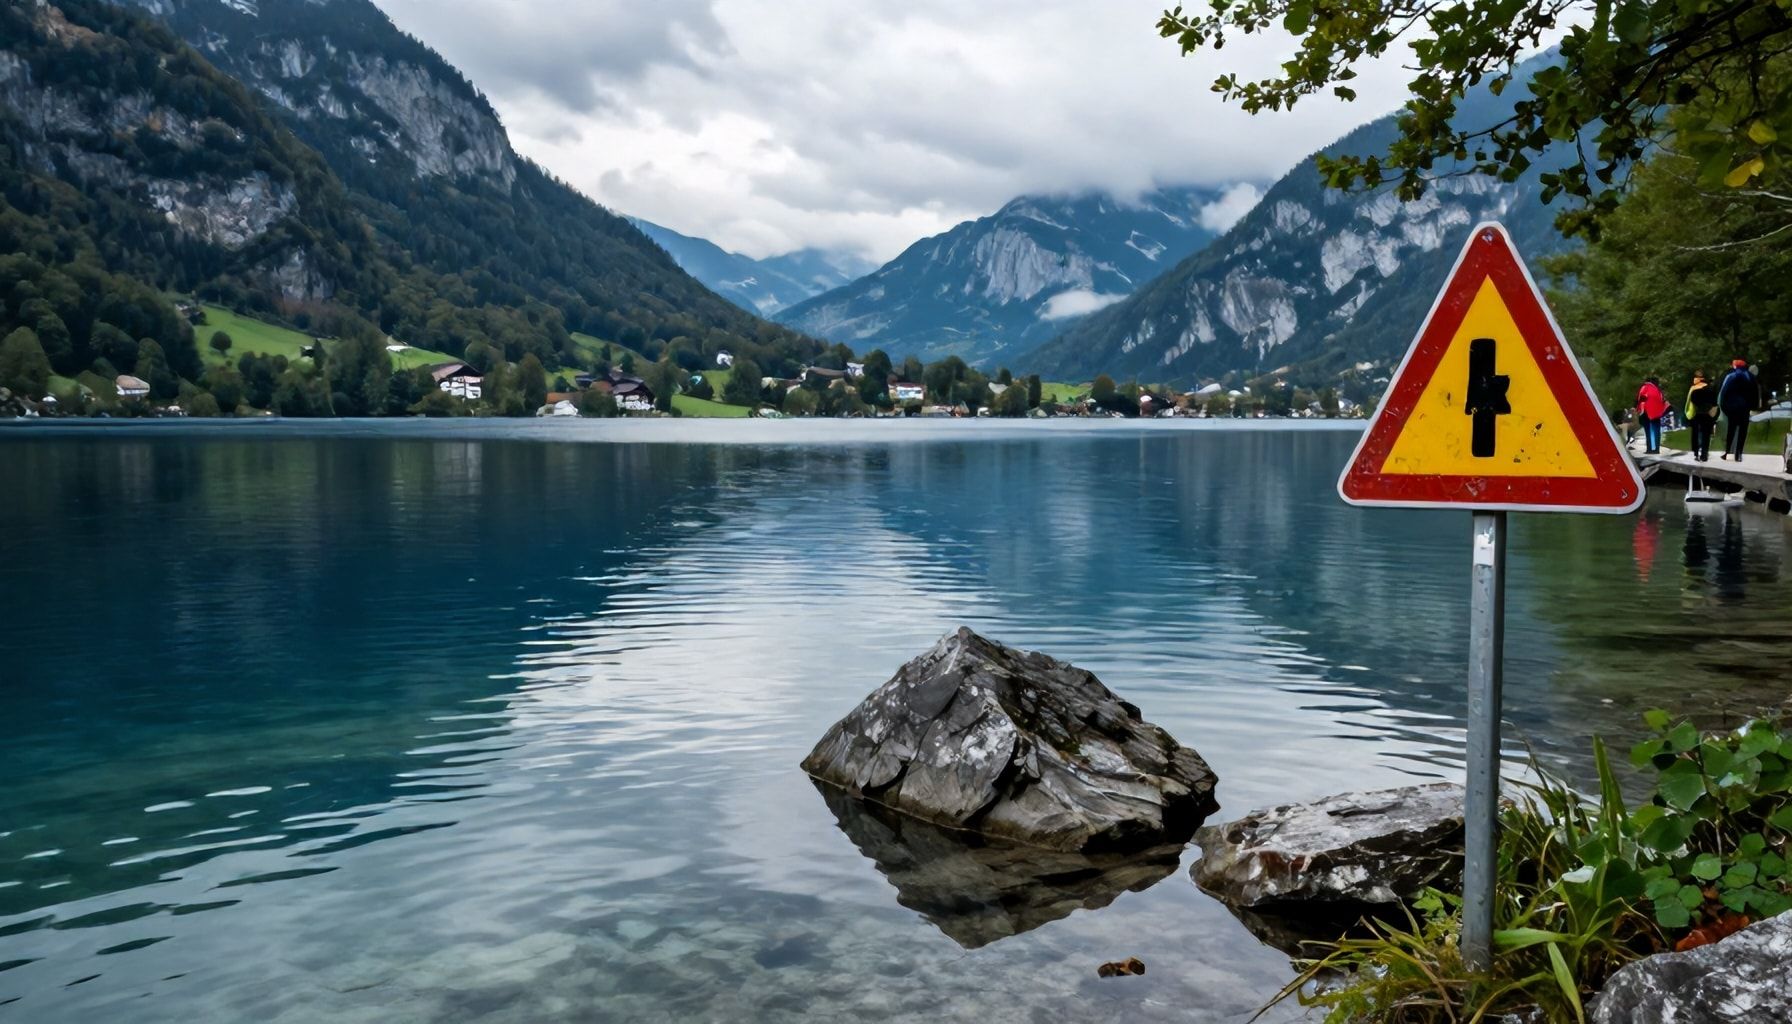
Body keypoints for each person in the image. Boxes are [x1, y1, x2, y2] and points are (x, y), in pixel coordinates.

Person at [1717, 359, 1758, 460]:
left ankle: (1728, 453)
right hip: (1745, 408)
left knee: (1731, 430)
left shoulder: (1730, 377)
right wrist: (1753, 406)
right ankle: (1739, 454)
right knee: (1742, 431)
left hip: (1732, 408)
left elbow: (1724, 393)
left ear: (1735, 366)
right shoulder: (1750, 377)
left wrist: (1724, 407)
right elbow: (1755, 393)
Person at [1685, 370, 1718, 462]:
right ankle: (1704, 454)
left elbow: (1692, 404)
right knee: (1706, 435)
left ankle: (1697, 452)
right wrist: (1713, 415)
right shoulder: (1711, 390)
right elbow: (1715, 404)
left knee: (1697, 434)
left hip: (1697, 414)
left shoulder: (1694, 391)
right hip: (1708, 415)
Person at [1635, 376, 1667, 453]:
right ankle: (1656, 449)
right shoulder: (1658, 390)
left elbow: (1641, 399)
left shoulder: (1645, 387)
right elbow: (1663, 401)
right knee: (1656, 431)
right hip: (1657, 413)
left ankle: (1649, 449)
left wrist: (1638, 409)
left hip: (1646, 412)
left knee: (1648, 430)